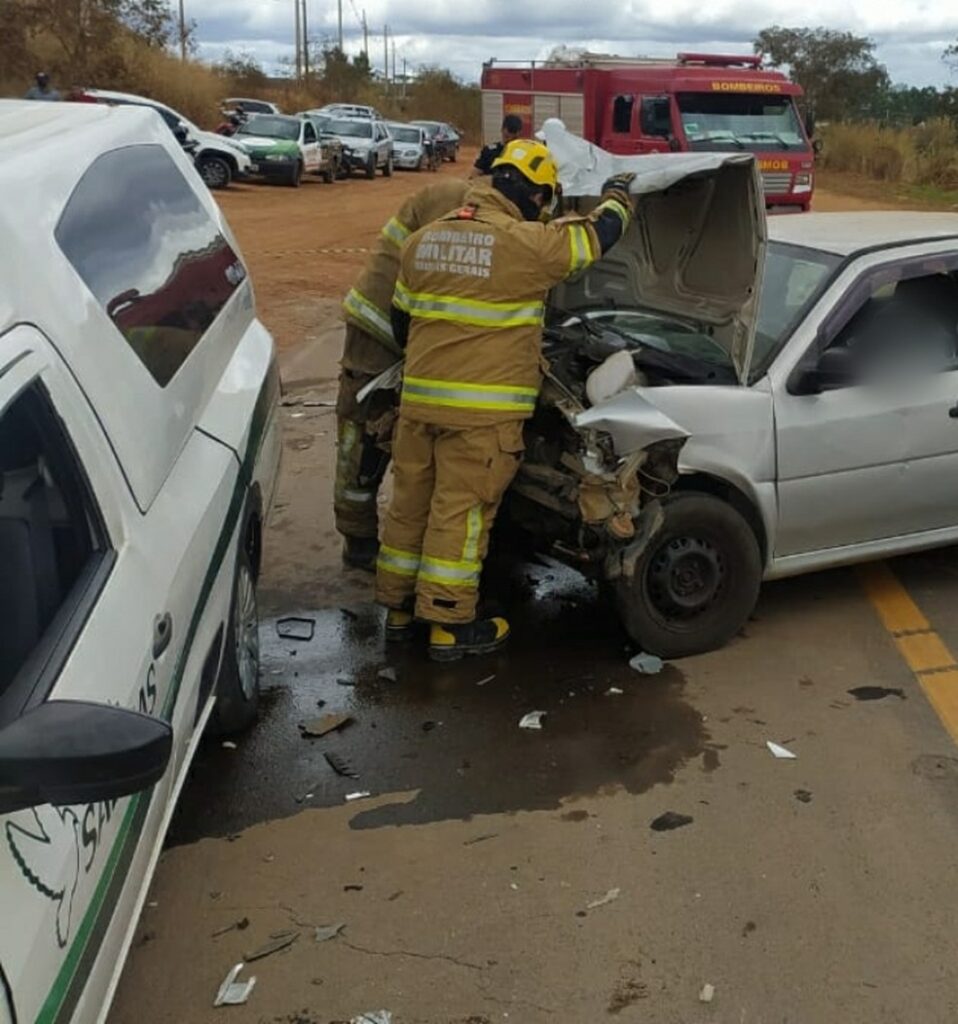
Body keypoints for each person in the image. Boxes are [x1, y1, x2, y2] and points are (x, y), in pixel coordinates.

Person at [376, 139, 635, 661]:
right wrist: (618, 198)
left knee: (410, 507)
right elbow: (594, 240)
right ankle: (448, 624)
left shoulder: (423, 241)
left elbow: (402, 320)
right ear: (537, 195)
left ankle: (400, 612)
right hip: (480, 416)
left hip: (420, 405)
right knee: (460, 513)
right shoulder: (525, 244)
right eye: (545, 201)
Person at [336, 179, 470, 571]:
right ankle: (358, 539)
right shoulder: (453, 201)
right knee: (363, 436)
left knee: (384, 432)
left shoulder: (464, 198)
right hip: (377, 328)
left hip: (399, 323)